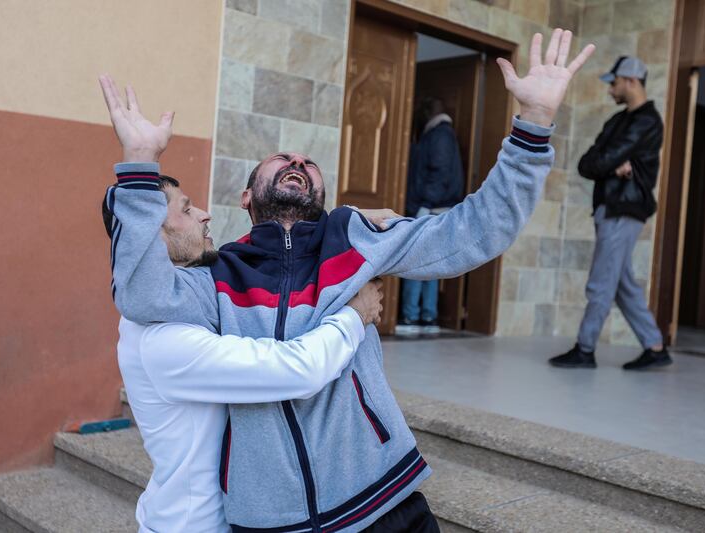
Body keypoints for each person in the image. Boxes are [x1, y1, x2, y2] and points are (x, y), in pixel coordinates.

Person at [102, 29, 594, 532]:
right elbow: (142, 293)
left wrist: (533, 123)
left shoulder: (355, 237)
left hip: (382, 501)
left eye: (309, 163)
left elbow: (476, 231)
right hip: (274, 520)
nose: (297, 162)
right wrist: (140, 166)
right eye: (281, 160)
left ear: (322, 194)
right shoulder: (220, 276)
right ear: (246, 198)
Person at [102, 175, 385, 532]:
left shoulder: (193, 301)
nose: (205, 215)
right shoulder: (162, 341)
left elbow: (257, 257)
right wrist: (354, 316)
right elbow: (297, 370)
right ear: (151, 234)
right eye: (187, 210)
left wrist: (343, 224)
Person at [549, 56, 672, 371]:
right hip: (611, 206)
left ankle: (585, 349)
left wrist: (606, 164)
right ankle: (655, 346)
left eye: (613, 83)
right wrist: (608, 166)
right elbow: (587, 163)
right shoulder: (618, 121)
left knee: (601, 281)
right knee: (621, 283)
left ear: (631, 80)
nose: (610, 90)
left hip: (624, 208)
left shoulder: (647, 121)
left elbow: (600, 161)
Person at [398, 97, 465, 335]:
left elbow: (439, 173)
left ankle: (411, 316)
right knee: (429, 263)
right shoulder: (441, 134)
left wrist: (423, 204)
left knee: (415, 262)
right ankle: (427, 317)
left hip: (431, 209)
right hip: (438, 209)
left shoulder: (440, 136)